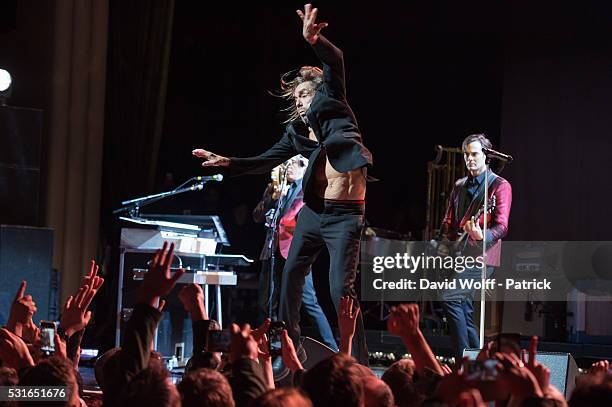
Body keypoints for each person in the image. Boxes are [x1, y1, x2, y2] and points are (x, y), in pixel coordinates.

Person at [193, 4, 372, 364]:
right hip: (314, 212)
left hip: (345, 215)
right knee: (290, 276)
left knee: (341, 289)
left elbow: (335, 60)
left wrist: (313, 39)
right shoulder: (296, 134)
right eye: (297, 100)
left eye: (304, 96)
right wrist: (227, 162)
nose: (300, 104)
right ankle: (289, 347)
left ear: (318, 93)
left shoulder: (333, 101)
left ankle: (359, 361)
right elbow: (263, 160)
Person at [439, 133, 512, 361]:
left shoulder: (500, 186)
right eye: (466, 155)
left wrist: (483, 235)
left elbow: (501, 227)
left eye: (474, 154)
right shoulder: (459, 185)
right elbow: (448, 222)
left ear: (486, 156)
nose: (470, 159)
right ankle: (477, 360)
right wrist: (444, 243)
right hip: (458, 254)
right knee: (464, 308)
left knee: (450, 296)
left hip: (484, 256)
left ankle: (463, 360)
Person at [253, 155, 338, 351]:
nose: (288, 168)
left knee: (308, 301)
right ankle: (273, 346)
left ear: (303, 168)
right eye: (286, 165)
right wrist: (271, 197)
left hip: (297, 253)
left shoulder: (306, 189)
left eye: (293, 164)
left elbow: (300, 217)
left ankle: (332, 347)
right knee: (268, 300)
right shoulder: (277, 188)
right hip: (273, 251)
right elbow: (257, 215)